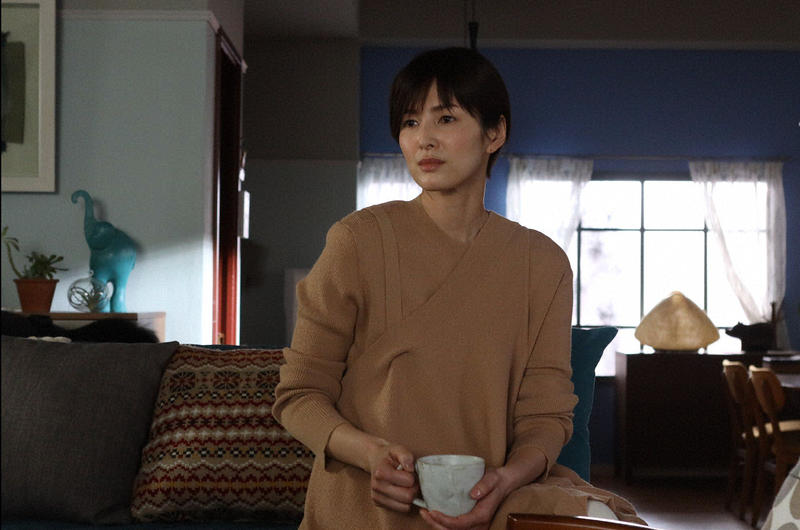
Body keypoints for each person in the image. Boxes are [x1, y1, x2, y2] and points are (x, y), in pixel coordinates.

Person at [273, 47, 644, 529]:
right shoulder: (356, 242)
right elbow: (299, 394)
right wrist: (370, 454)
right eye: (409, 122)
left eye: (445, 118)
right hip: (363, 505)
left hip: (486, 506)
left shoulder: (542, 263)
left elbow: (547, 417)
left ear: (495, 133)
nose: (424, 138)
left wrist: (505, 481)